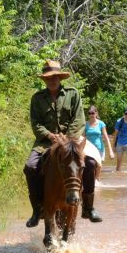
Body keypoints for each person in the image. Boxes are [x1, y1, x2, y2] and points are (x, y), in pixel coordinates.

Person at [24, 59, 102, 228]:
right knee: (30, 167)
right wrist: (50, 136)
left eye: (55, 77)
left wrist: (67, 139)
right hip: (45, 143)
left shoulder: (73, 94)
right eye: (49, 78)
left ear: (60, 78)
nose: (52, 80)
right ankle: (38, 209)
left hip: (72, 141)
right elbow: (36, 123)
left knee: (89, 163)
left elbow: (79, 119)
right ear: (44, 80)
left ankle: (88, 207)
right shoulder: (37, 99)